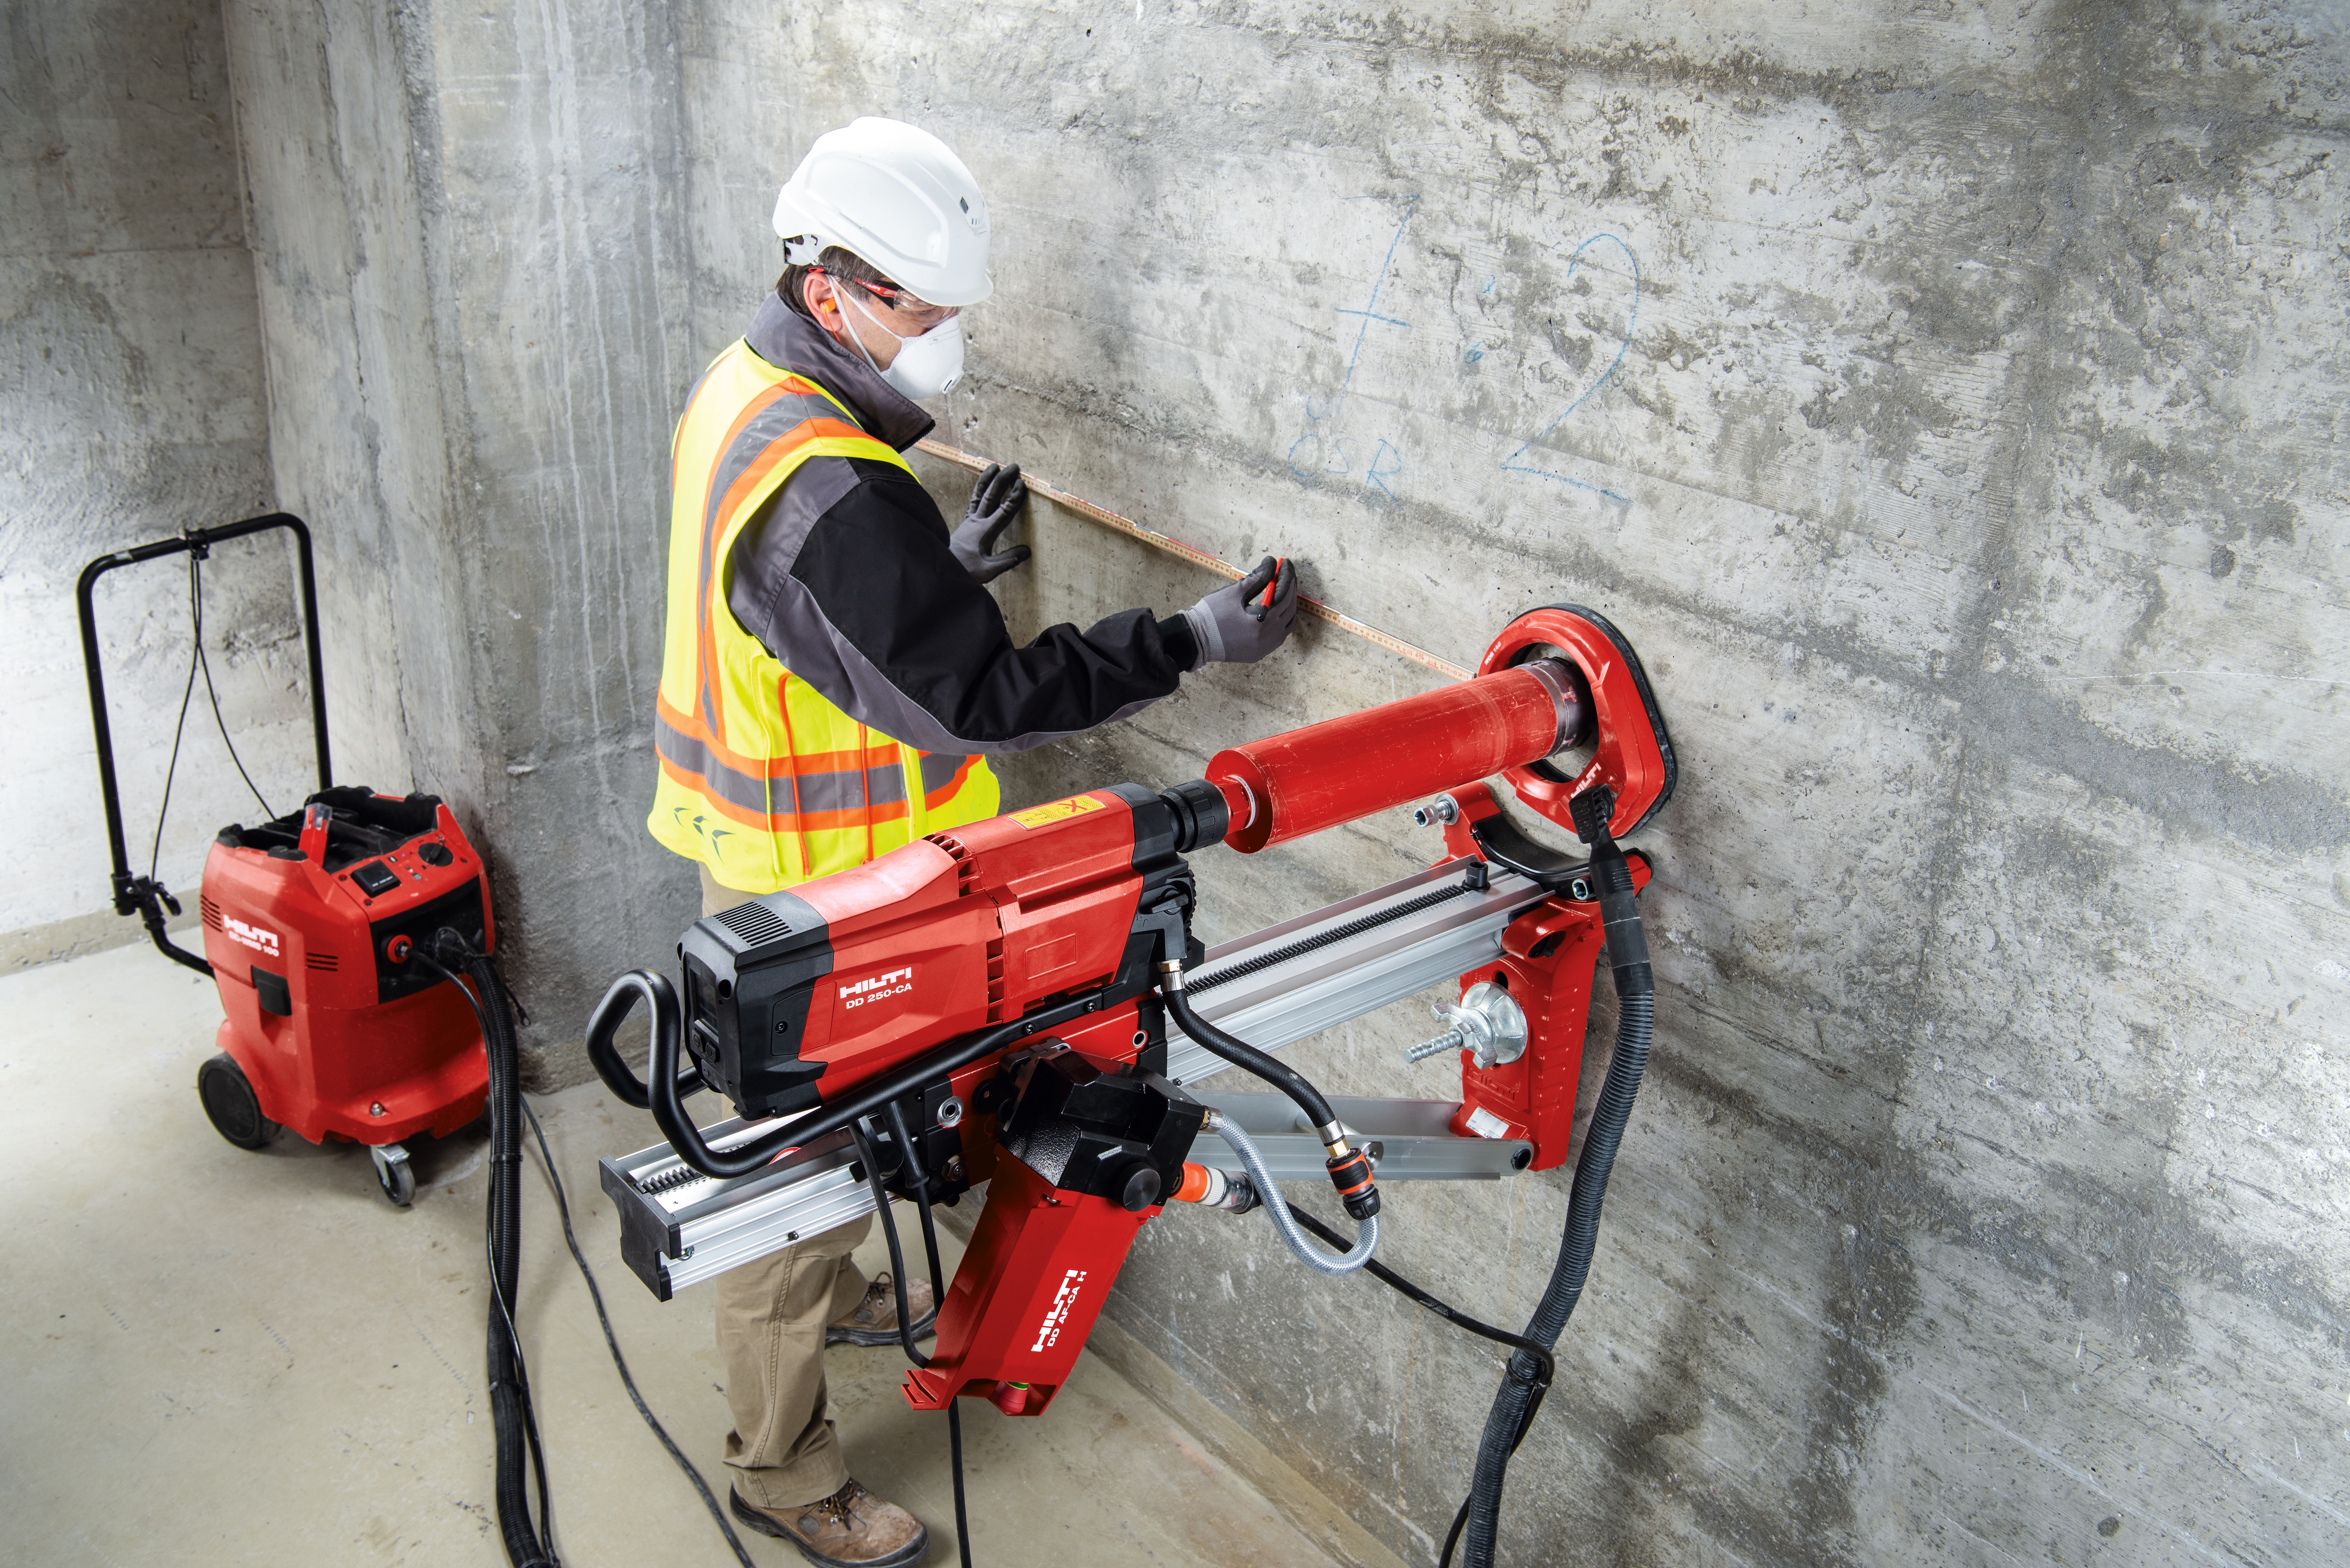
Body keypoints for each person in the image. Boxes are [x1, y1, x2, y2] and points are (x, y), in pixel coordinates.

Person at [644, 116, 1301, 1568]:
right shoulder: (833, 493)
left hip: (785, 852)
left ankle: (851, 1292)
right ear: (832, 289)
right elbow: (983, 696)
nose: (941, 342)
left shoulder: (747, 387)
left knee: (851, 1141)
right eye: (919, 314)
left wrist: (936, 571)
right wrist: (1187, 638)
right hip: (809, 890)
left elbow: (816, 616)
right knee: (786, 1197)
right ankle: (783, 1470)